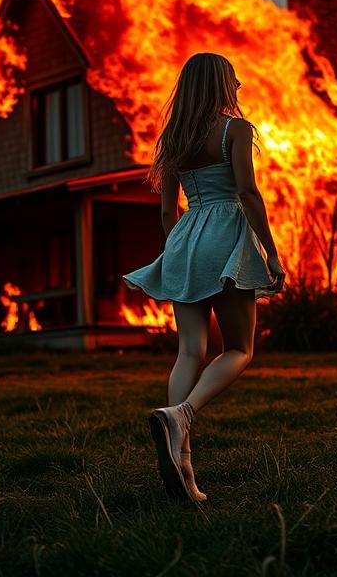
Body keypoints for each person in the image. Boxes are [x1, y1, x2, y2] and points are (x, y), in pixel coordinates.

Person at [122, 52, 286, 503]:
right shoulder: (236, 129)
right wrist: (269, 253)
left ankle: (182, 462)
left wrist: (180, 250)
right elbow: (248, 194)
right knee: (239, 348)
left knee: (189, 350)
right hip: (225, 233)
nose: (238, 87)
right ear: (220, 85)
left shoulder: (173, 137)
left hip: (184, 238)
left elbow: (165, 210)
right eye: (233, 80)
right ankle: (184, 413)